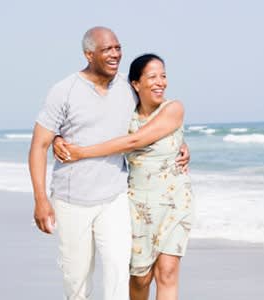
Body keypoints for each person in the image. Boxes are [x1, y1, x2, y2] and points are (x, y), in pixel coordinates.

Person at [28, 27, 189, 300]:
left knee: (117, 271)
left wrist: (181, 145)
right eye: (107, 49)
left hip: (115, 197)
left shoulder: (127, 88)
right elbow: (38, 145)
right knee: (76, 279)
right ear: (89, 54)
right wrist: (41, 199)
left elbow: (152, 120)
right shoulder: (64, 91)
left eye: (117, 47)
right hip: (72, 198)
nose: (115, 54)